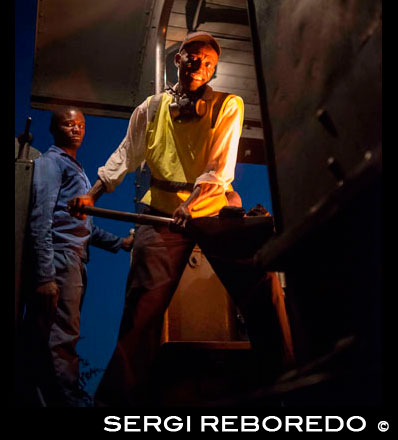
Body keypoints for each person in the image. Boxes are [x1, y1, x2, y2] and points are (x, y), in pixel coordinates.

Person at [69, 31, 294, 407]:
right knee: (142, 306)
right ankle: (115, 404)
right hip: (161, 214)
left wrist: (192, 204)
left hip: (211, 207)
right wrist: (90, 195)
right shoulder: (151, 107)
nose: (200, 66)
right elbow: (125, 155)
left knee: (260, 282)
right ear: (178, 59)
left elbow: (220, 166)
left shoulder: (228, 105)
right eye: (193, 57)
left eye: (208, 62)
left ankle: (290, 379)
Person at [22, 107, 134, 407]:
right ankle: (69, 402)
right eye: (69, 124)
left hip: (73, 259)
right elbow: (41, 217)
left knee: (51, 337)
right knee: (62, 337)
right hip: (60, 259)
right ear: (55, 129)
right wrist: (46, 276)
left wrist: (120, 243)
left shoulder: (76, 168)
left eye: (81, 125)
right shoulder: (51, 163)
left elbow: (81, 224)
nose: (77, 129)